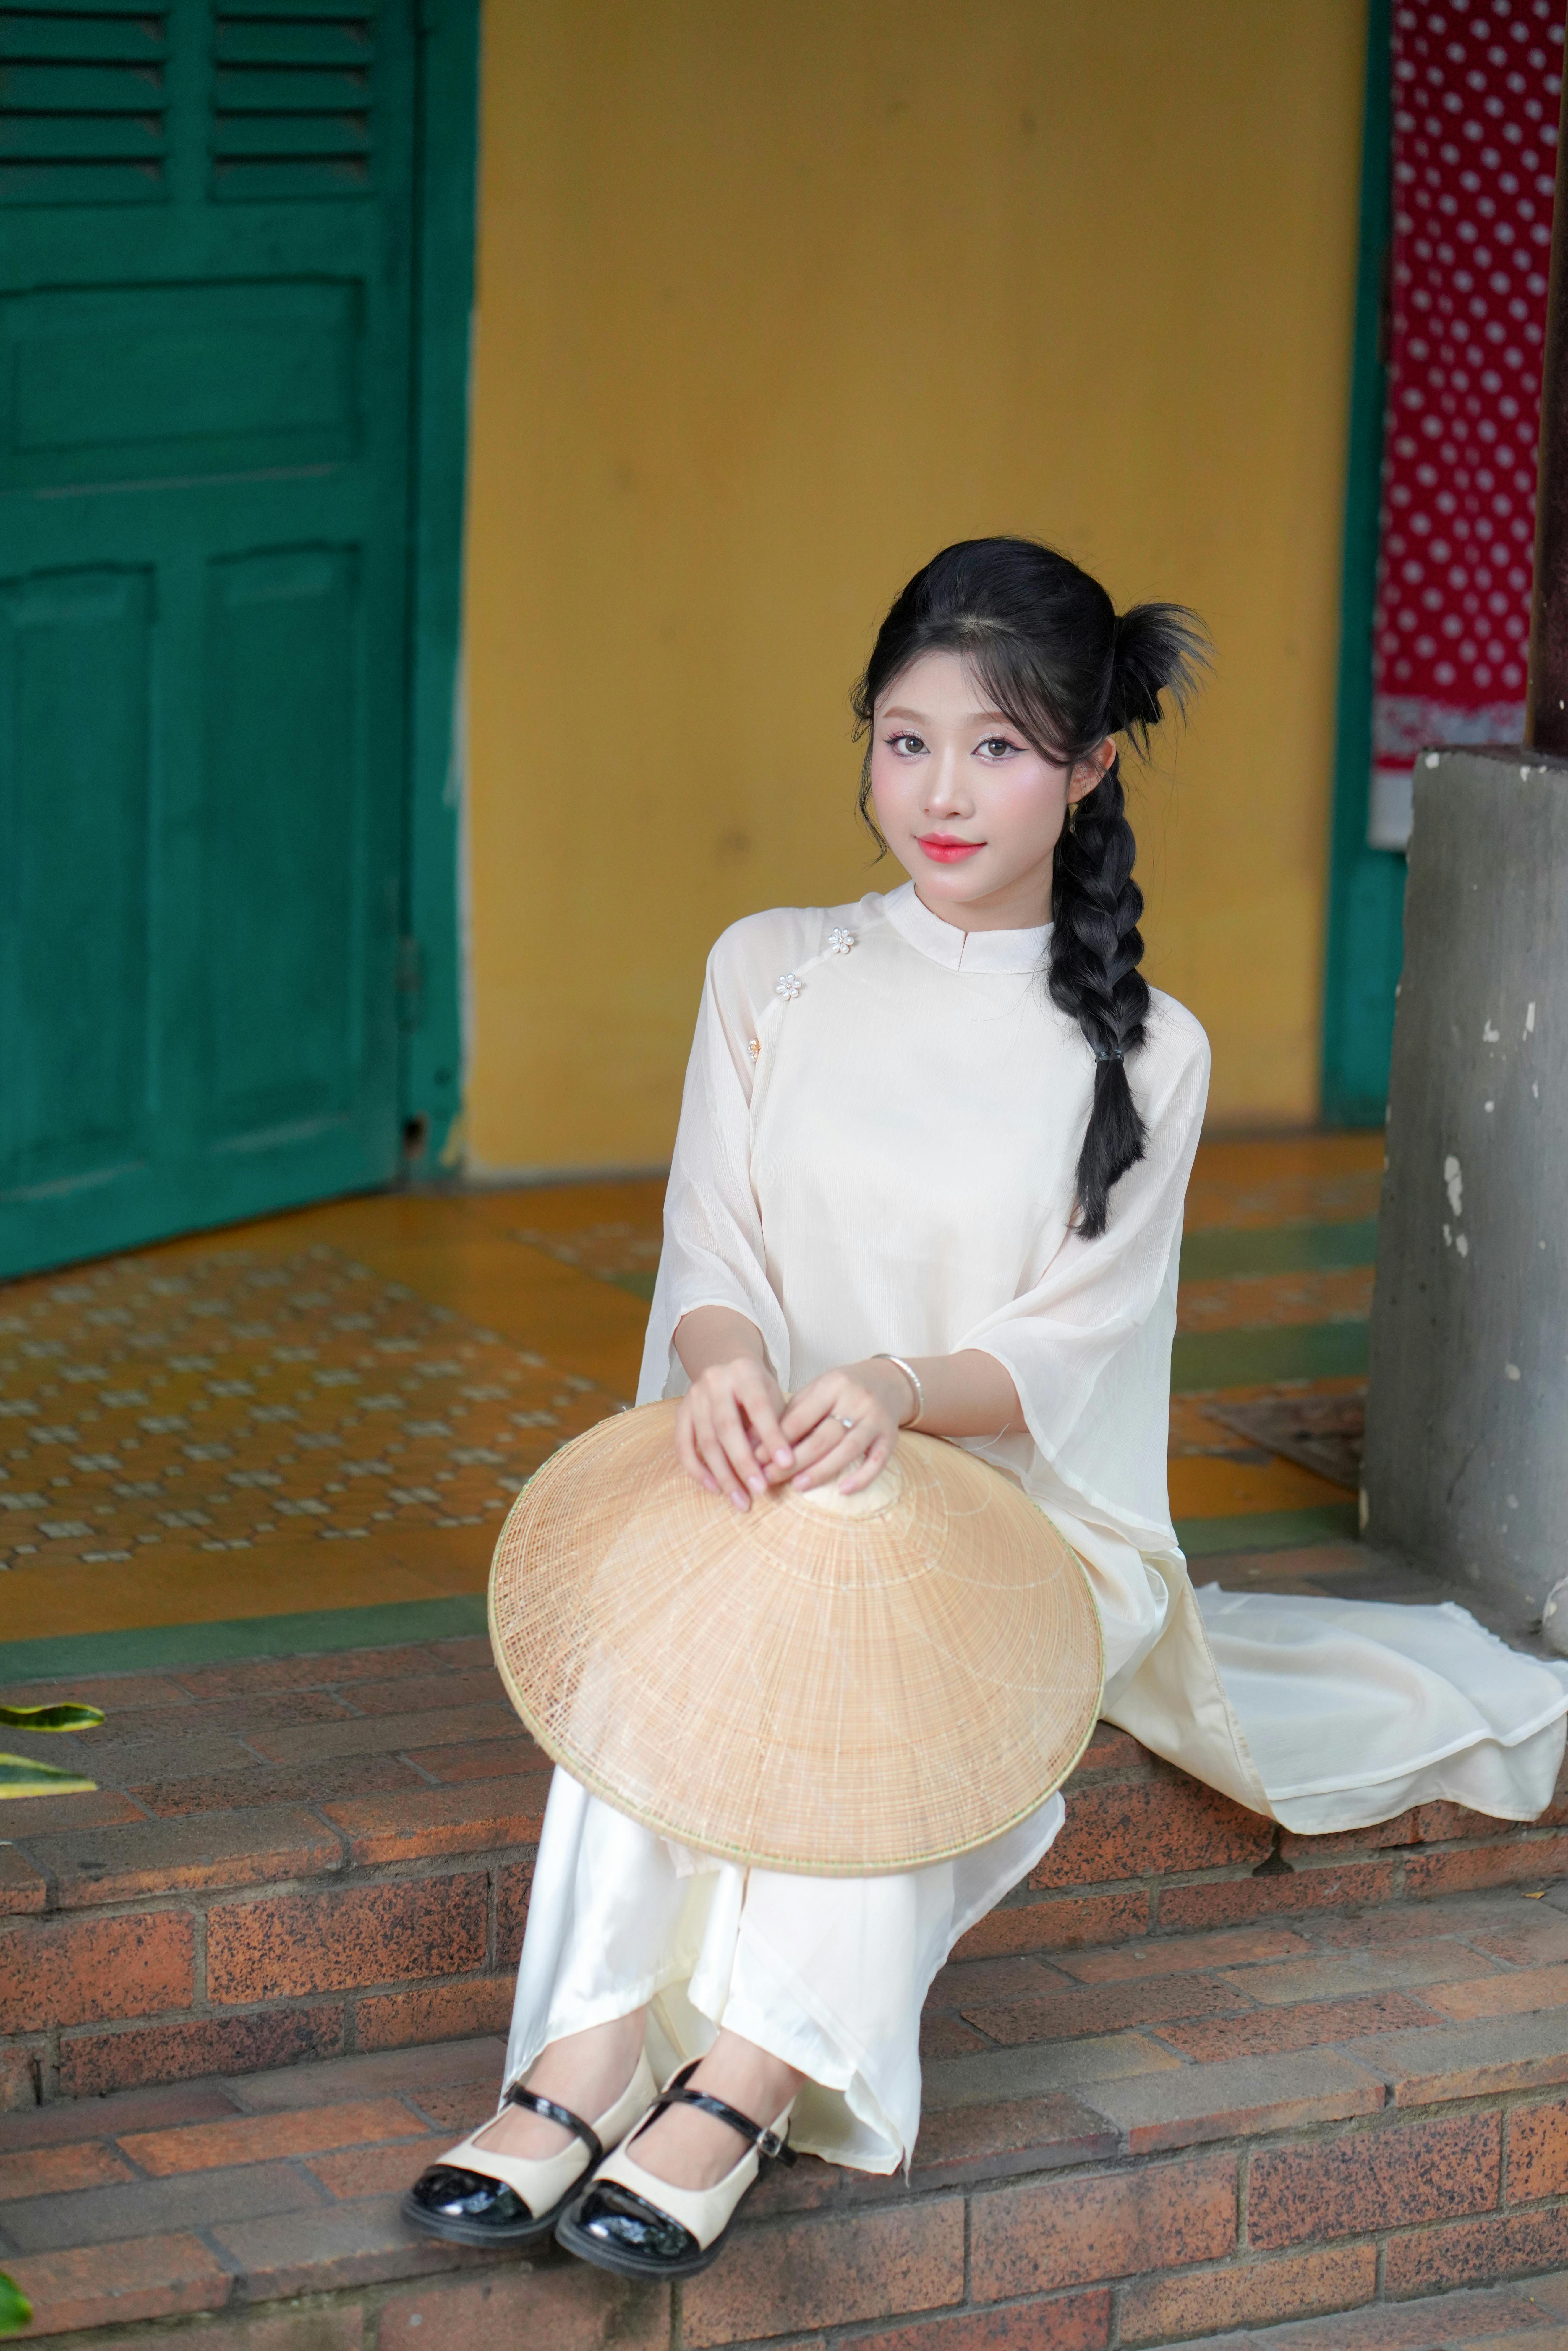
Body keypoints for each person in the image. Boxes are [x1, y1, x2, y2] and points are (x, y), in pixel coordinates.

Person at [404, 536, 1568, 2282]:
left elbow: (1069, 1352)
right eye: (904, 739)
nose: (942, 792)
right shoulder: (769, 968)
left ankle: (741, 2079)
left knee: (852, 1559)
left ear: (1090, 767)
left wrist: (885, 1389)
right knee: (711, 1575)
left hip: (1018, 1518)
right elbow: (709, 1243)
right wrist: (724, 1369)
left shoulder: (1145, 1053)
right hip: (763, 1465)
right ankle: (576, 2059)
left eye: (999, 748)